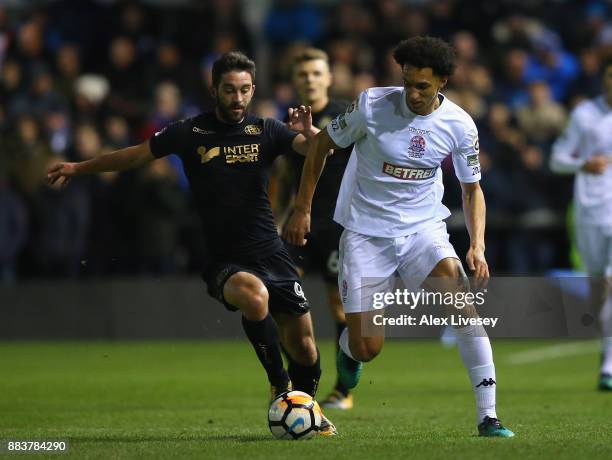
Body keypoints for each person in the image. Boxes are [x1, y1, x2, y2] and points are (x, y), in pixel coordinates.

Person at [47, 51, 336, 435]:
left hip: (271, 251)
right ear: (213, 89)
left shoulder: (266, 130)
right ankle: (280, 384)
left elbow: (322, 151)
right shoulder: (189, 132)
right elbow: (134, 156)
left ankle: (307, 409)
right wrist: (79, 167)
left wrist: (310, 134)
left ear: (253, 90)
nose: (237, 99)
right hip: (224, 259)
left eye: (245, 90)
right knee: (254, 297)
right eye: (230, 90)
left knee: (307, 350)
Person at [284, 36, 514, 437]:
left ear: (442, 81)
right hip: (365, 233)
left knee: (462, 307)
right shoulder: (372, 105)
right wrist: (301, 208)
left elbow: (472, 189)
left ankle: (488, 417)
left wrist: (477, 244)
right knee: (368, 348)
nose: (412, 93)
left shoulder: (459, 125)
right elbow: (321, 146)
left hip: (423, 229)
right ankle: (349, 353)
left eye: (422, 85)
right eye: (407, 82)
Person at [271, 48, 354, 409]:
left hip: (339, 224)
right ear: (295, 80)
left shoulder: (344, 113)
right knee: (281, 297)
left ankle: (343, 390)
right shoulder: (285, 119)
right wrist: (275, 220)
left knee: (339, 308)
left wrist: (310, 132)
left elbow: (329, 148)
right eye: (303, 74)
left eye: (316, 73)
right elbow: (286, 177)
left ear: (328, 77)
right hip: (297, 224)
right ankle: (293, 383)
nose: (309, 79)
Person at [550, 57, 612, 391]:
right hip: (590, 211)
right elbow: (557, 159)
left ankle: (608, 364)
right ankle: (606, 346)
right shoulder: (585, 115)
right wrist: (583, 164)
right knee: (598, 285)